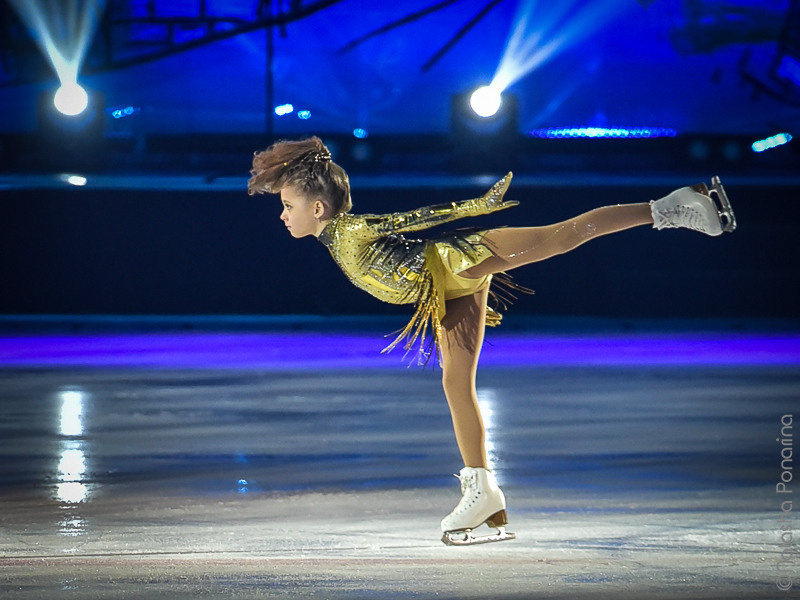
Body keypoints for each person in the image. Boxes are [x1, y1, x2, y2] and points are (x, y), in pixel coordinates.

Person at [247, 136, 736, 546]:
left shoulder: (348, 230)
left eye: (288, 206)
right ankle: (485, 497)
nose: (283, 215)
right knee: (456, 384)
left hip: (459, 261)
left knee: (563, 235)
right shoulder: (333, 240)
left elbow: (408, 219)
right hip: (445, 289)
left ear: (317, 207)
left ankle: (671, 207)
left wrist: (474, 207)